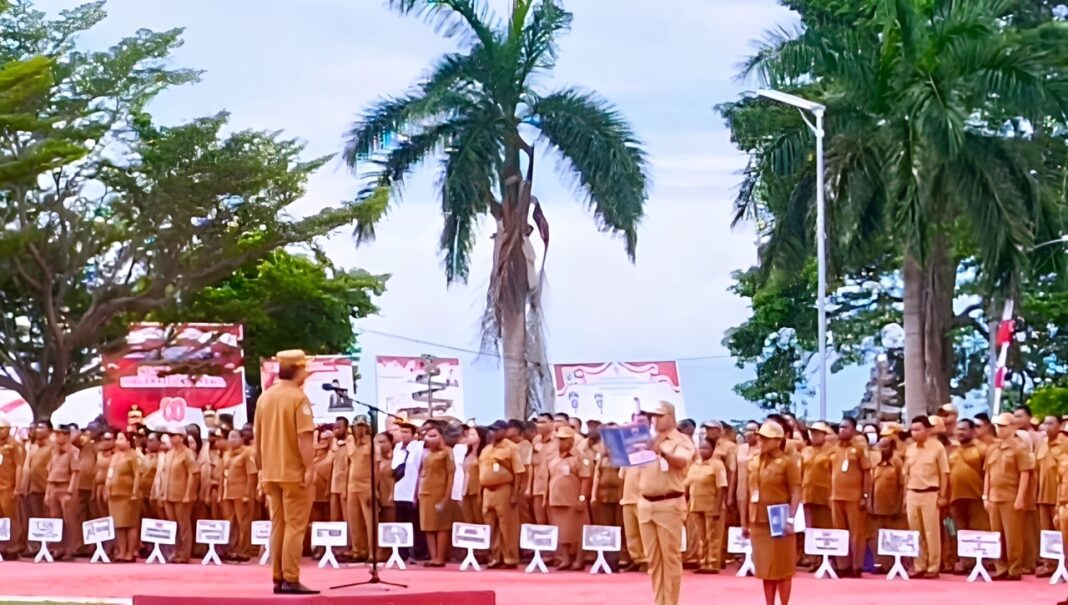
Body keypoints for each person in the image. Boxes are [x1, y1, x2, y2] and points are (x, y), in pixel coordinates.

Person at [254, 349, 317, 595]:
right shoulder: (298, 399)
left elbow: (257, 440)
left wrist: (261, 470)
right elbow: (304, 437)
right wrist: (310, 467)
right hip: (293, 473)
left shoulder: (264, 398)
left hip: (270, 472)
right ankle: (291, 577)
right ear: (298, 370)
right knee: (295, 525)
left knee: (278, 524)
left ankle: (278, 576)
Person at [637, 401, 694, 605]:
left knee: (670, 559)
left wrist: (661, 451)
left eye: (660, 415)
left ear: (671, 416)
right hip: (645, 503)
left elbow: (682, 461)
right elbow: (631, 466)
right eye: (653, 416)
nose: (655, 420)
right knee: (653, 560)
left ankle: (671, 602)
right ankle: (658, 601)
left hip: (668, 503)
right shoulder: (648, 441)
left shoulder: (681, 440)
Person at [743, 421, 801, 605]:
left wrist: (791, 517)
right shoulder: (753, 462)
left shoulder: (788, 462)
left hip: (779, 520)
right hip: (758, 521)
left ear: (778, 441)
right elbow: (747, 492)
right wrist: (745, 522)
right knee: (765, 569)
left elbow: (796, 490)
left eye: (766, 439)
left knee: (782, 568)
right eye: (760, 438)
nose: (762, 442)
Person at [985, 412, 1034, 581]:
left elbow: (1025, 474)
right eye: (998, 426)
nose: (1000, 430)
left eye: (1004, 426)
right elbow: (988, 474)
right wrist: (986, 496)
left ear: (1014, 427)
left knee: (1013, 536)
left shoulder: (1020, 448)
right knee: (996, 535)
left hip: (1011, 496)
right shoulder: (993, 448)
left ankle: (1014, 568)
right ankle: (1000, 567)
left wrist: (1020, 498)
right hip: (994, 497)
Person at [902, 416, 950, 579]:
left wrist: (942, 495)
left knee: (931, 531)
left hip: (930, 492)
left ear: (928, 430)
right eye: (912, 430)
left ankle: (933, 566)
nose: (914, 433)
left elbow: (944, 473)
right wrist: (904, 497)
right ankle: (919, 564)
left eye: (918, 429)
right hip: (912, 493)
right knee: (915, 531)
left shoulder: (937, 447)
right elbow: (906, 475)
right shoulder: (910, 449)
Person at [479, 422, 523, 569]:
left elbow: (519, 472)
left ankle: (510, 558)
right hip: (487, 490)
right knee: (490, 525)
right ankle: (495, 557)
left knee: (507, 525)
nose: (493, 433)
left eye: (496, 430)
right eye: (491, 430)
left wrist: (515, 493)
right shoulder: (486, 449)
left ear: (504, 431)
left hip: (504, 489)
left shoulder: (511, 448)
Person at [830, 417, 871, 577]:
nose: (841, 430)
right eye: (840, 427)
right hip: (836, 497)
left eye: (845, 427)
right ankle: (842, 566)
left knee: (857, 534)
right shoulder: (835, 448)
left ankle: (856, 566)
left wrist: (865, 495)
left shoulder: (860, 448)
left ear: (853, 429)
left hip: (854, 497)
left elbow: (867, 473)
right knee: (839, 533)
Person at [547, 425, 591, 570]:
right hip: (557, 500)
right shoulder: (553, 457)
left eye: (565, 440)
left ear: (571, 441)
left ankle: (579, 560)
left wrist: (582, 498)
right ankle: (565, 558)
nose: (561, 443)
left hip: (573, 500)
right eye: (559, 439)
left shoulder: (580, 457)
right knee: (562, 531)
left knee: (579, 531)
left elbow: (586, 478)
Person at [685, 438, 728, 574]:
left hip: (712, 506)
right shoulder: (694, 466)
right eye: (701, 448)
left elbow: (721, 487)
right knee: (700, 536)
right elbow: (686, 486)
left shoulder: (717, 465)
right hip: (695, 505)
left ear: (713, 449)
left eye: (706, 448)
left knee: (713, 536)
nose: (703, 451)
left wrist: (717, 508)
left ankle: (713, 562)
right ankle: (703, 562)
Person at [418, 423, 456, 567]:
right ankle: (433, 557)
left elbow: (451, 475)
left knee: (441, 526)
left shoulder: (447, 452)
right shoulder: (427, 453)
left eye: (434, 436)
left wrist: (446, 498)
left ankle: (440, 557)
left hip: (439, 492)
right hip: (425, 492)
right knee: (428, 526)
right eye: (428, 436)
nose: (429, 439)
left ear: (442, 437)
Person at [162, 423, 199, 564]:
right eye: (170, 435)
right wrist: (162, 493)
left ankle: (184, 553)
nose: (170, 438)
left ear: (181, 437)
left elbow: (194, 474)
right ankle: (174, 551)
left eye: (173, 435)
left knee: (183, 525)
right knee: (172, 525)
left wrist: (188, 494)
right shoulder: (169, 454)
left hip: (181, 494)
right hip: (168, 494)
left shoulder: (187, 453)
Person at [391, 416, 426, 562]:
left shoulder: (418, 447)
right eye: (401, 431)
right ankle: (402, 552)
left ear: (413, 434)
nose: (402, 434)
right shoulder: (398, 448)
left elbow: (419, 469)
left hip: (412, 491)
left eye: (406, 432)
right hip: (399, 491)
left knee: (415, 524)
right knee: (401, 523)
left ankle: (418, 552)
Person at [221, 429, 257, 563]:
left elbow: (251, 475)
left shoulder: (248, 453)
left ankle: (243, 550)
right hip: (227, 492)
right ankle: (231, 550)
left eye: (235, 437)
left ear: (242, 439)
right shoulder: (226, 454)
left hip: (241, 493)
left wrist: (248, 493)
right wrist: (220, 493)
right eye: (230, 437)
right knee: (230, 522)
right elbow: (222, 475)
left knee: (243, 522)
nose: (232, 440)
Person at [105, 431, 142, 562]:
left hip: (128, 494)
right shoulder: (115, 456)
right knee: (119, 525)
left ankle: (130, 552)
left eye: (121, 439)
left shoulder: (132, 456)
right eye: (117, 438)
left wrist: (134, 491)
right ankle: (121, 551)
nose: (118, 441)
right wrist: (107, 488)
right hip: (115, 494)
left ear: (128, 441)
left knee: (130, 524)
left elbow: (137, 474)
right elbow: (110, 474)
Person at [1036, 416, 1063, 577]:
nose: (1047, 426)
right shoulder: (1041, 444)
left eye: (1051, 423)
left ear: (1060, 425)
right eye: (1045, 423)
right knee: (1045, 532)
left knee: (1062, 531)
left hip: (1060, 496)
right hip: (1042, 495)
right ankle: (1049, 564)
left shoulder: (1065, 444)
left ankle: (1063, 563)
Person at [45, 424, 78, 560]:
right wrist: (48, 492)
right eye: (56, 434)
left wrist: (71, 491)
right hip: (53, 486)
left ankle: (70, 549)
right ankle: (57, 548)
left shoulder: (73, 451)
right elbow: (50, 472)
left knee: (69, 520)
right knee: (55, 519)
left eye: (60, 434)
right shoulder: (54, 451)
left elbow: (76, 473)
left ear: (67, 435)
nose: (57, 437)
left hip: (65, 486)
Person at [345, 415, 374, 563]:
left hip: (366, 485)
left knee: (370, 521)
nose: (360, 429)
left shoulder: (371, 443)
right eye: (357, 426)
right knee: (354, 520)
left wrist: (374, 489)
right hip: (351, 485)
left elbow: (377, 467)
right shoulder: (350, 442)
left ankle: (373, 551)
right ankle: (358, 550)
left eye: (363, 426)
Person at [0, 418, 25, 560]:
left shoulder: (15, 445)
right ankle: (2, 545)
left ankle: (14, 546)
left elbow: (19, 466)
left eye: (1, 429)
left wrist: (18, 487)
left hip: (9, 487)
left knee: (11, 517)